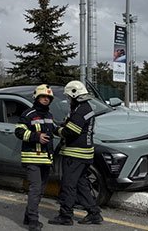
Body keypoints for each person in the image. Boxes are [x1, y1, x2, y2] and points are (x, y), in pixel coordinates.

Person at [48, 81, 102, 226]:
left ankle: (65, 216)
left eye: (68, 97)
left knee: (68, 185)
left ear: (74, 95)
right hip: (84, 154)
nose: (68, 99)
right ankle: (94, 213)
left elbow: (70, 132)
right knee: (81, 184)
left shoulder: (80, 110)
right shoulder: (84, 107)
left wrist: (55, 130)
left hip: (75, 155)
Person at [15, 85, 58, 230]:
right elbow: (18, 131)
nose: (46, 99)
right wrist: (36, 136)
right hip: (32, 158)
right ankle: (33, 222)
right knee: (35, 189)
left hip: (46, 158)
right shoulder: (28, 114)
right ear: (37, 98)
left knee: (40, 190)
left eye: (48, 97)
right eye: (43, 97)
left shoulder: (49, 115)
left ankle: (28, 217)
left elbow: (53, 130)